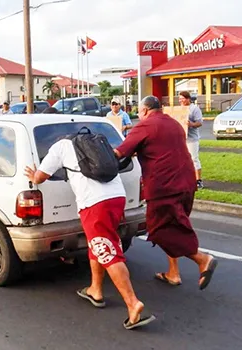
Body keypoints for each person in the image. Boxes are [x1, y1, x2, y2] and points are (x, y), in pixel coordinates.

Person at [24, 136, 155, 330]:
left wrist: (34, 175)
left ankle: (133, 303)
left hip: (94, 204)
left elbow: (40, 177)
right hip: (117, 197)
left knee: (108, 252)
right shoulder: (95, 142)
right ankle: (96, 289)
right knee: (100, 244)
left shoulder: (59, 147)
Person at [114, 95, 218, 290]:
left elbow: (119, 152)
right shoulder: (174, 124)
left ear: (144, 110)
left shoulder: (145, 126)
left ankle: (202, 259)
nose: (139, 114)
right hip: (187, 182)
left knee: (158, 229)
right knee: (174, 225)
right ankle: (173, 273)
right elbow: (159, 147)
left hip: (164, 186)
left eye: (139, 111)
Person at [179, 91, 204, 189]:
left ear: (188, 99)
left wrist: (191, 124)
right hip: (181, 138)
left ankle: (198, 180)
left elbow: (199, 123)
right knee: (182, 159)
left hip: (192, 138)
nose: (181, 101)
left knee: (194, 159)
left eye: (182, 99)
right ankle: (185, 178)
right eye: (180, 99)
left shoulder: (194, 109)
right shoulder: (179, 109)